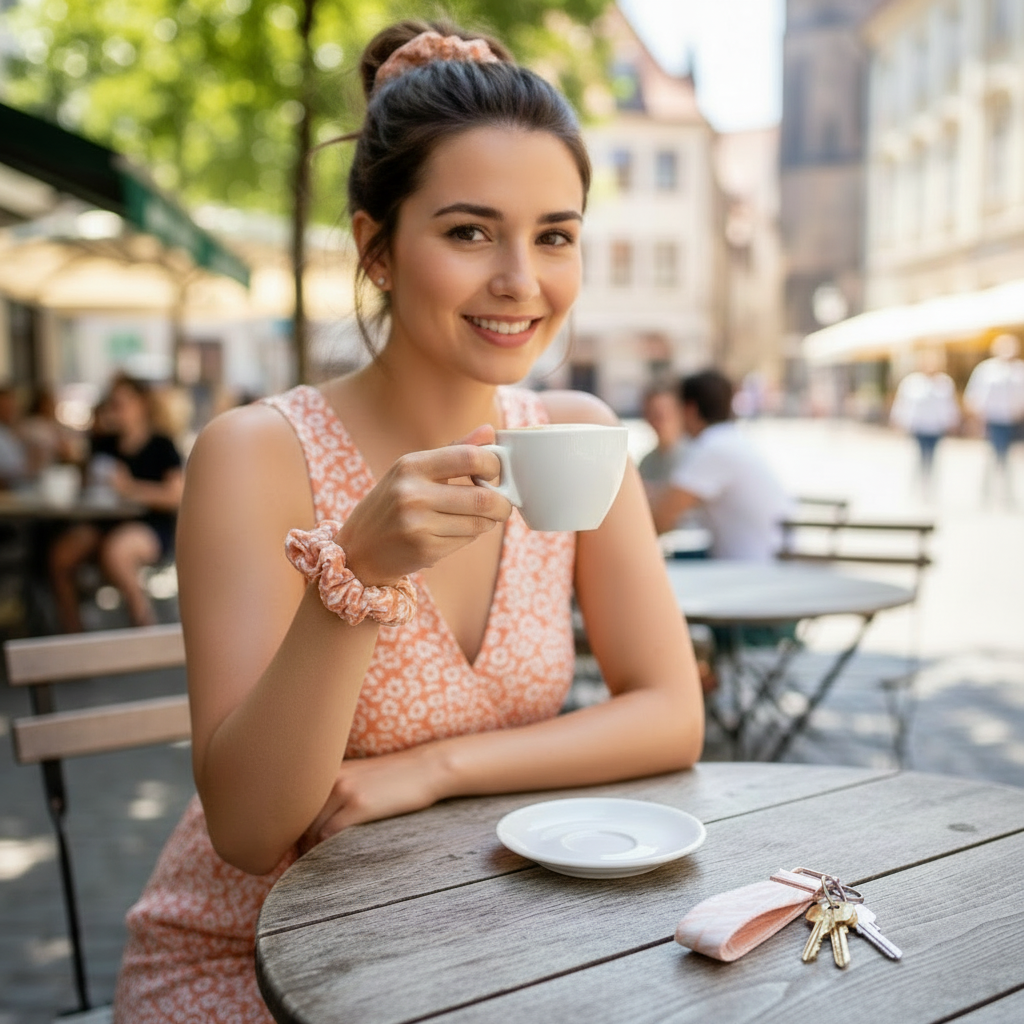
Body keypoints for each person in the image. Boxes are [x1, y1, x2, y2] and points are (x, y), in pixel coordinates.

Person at [113, 20, 704, 1022]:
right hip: (257, 961)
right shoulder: (255, 455)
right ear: (375, 247)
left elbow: (668, 713)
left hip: (480, 944)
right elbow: (254, 829)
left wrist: (428, 770)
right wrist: (355, 577)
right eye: (470, 231)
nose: (522, 279)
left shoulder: (578, 434)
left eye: (554, 235)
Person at [49, 374, 183, 632]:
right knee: (61, 555)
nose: (116, 410)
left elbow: (175, 496)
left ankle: (144, 625)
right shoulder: (104, 443)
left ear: (142, 404)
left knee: (117, 551)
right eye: (113, 404)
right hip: (104, 521)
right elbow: (86, 485)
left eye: (122, 403)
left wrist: (130, 488)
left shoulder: (161, 445)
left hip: (149, 525)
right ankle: (73, 631)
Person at [652, 370, 792, 561]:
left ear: (690, 409)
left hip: (752, 566)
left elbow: (660, 520)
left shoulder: (712, 448)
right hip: (771, 555)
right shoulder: (729, 438)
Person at [889, 349, 960, 491]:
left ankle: (930, 486)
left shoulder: (944, 383)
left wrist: (952, 422)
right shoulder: (912, 382)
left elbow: (949, 405)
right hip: (919, 426)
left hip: (936, 427)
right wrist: (898, 420)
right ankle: (918, 486)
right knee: (919, 456)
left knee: (933, 457)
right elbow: (902, 403)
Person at [964, 333, 1024, 496]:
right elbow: (973, 394)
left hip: (1014, 420)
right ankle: (987, 492)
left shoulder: (1019, 369)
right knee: (992, 456)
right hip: (992, 419)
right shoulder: (986, 369)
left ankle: (1007, 492)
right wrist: (976, 417)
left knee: (1009, 457)